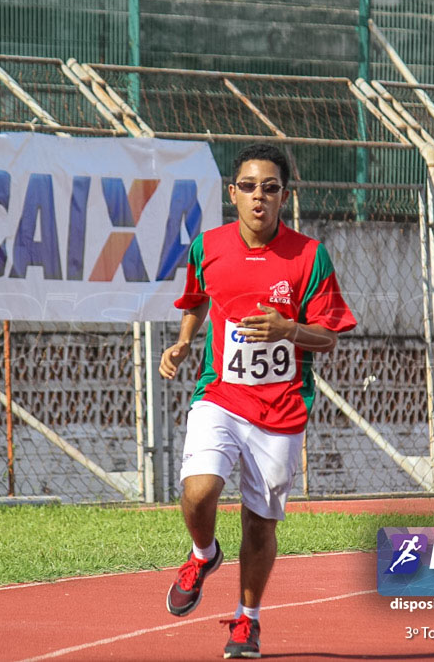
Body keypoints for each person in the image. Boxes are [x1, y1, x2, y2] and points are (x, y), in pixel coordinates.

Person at [159, 143, 357, 659]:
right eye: (248, 187)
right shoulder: (208, 247)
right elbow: (198, 298)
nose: (258, 198)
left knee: (259, 522)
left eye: (270, 188)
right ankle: (203, 554)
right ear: (233, 193)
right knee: (198, 491)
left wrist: (288, 329)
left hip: (281, 410)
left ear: (284, 197)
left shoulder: (309, 255)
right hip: (220, 395)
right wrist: (184, 341)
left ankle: (247, 622)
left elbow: (330, 335)